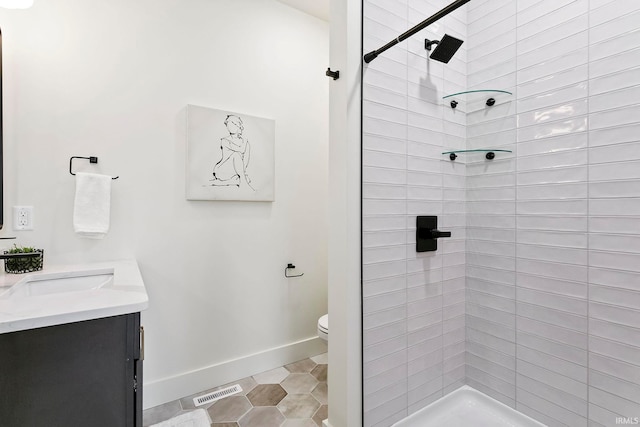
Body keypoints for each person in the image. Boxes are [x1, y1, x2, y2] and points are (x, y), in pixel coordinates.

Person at [210, 114, 254, 190]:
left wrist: (242, 172)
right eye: (227, 124)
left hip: (235, 171)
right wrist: (245, 142)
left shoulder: (245, 142)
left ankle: (239, 178)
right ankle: (243, 182)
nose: (229, 127)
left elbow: (245, 159)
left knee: (242, 173)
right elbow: (240, 150)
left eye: (231, 124)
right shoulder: (224, 140)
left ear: (237, 125)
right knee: (235, 154)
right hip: (222, 169)